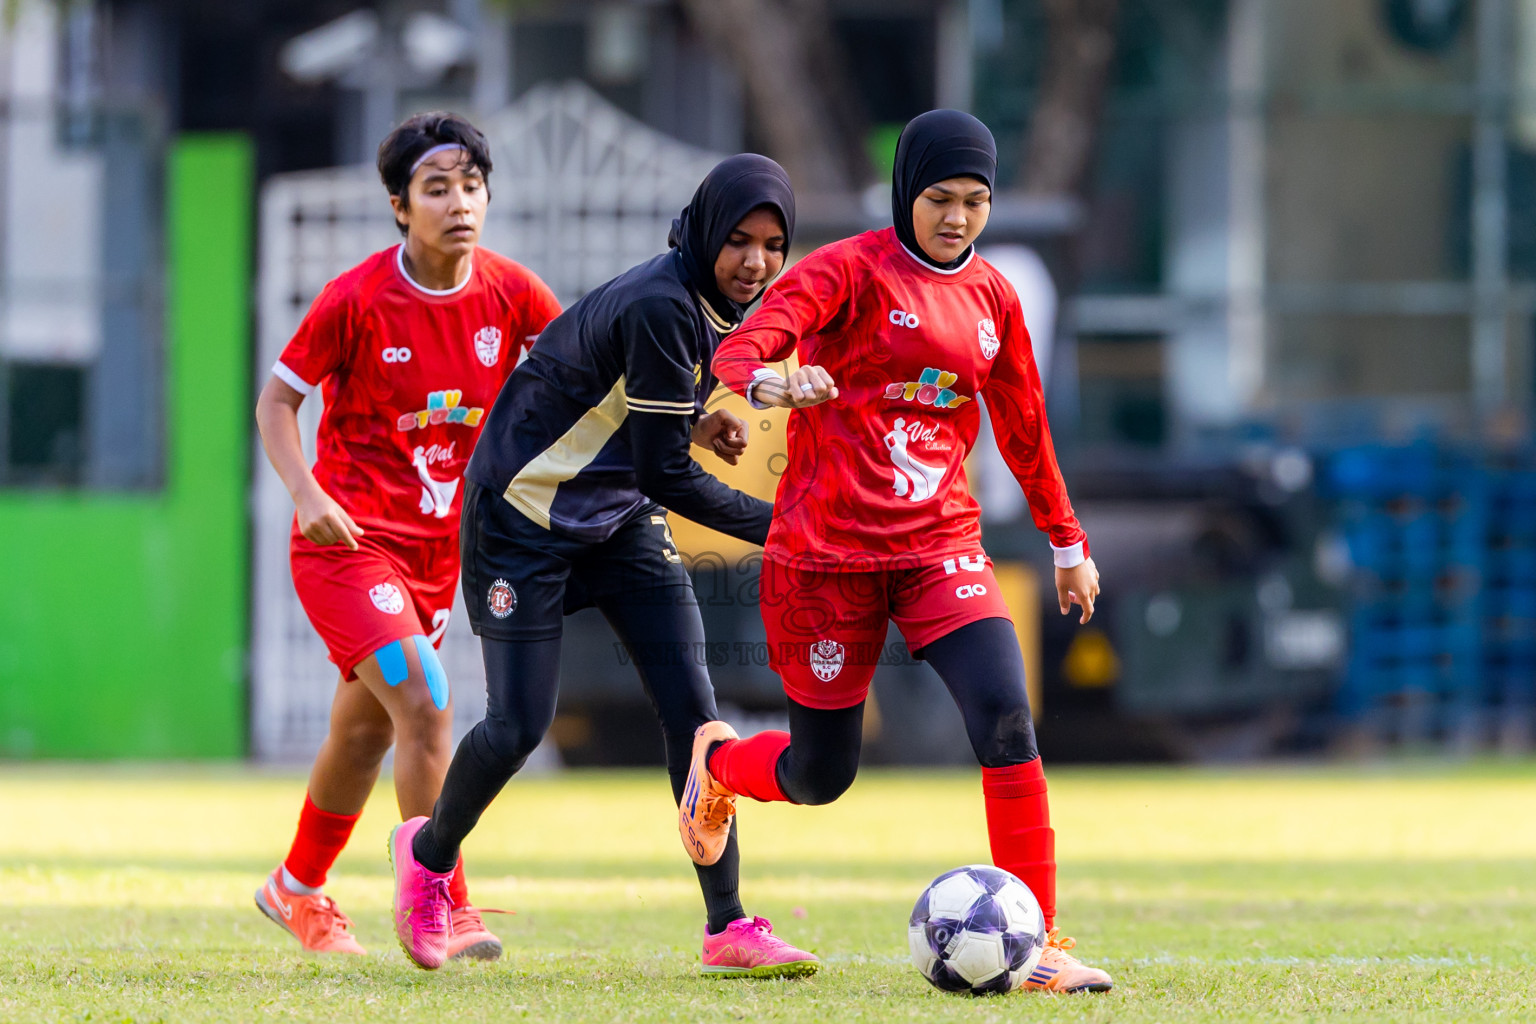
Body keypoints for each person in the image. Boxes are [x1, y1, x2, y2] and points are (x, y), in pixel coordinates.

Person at [679, 110, 1113, 994]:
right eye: (940, 197)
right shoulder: (847, 270)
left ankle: (1039, 943)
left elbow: (1024, 427)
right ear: (906, 191)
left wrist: (1067, 541)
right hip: (826, 558)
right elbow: (743, 346)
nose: (957, 217)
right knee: (820, 774)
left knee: (1006, 717)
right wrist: (770, 380)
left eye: (976, 201)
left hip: (938, 547)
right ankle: (717, 767)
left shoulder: (994, 298)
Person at [388, 154, 818, 978]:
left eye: (773, 244)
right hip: (522, 518)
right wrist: (787, 527)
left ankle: (728, 925)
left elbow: (624, 400)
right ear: (705, 233)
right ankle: (428, 856)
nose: (756, 262)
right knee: (518, 727)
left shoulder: (719, 304)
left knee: (696, 719)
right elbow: (666, 473)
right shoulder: (664, 302)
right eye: (739, 240)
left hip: (619, 518)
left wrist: (693, 418)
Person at [253, 112, 561, 957]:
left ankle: (295, 888)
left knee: (366, 734)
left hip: (436, 559)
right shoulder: (355, 298)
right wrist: (306, 492)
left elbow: (586, 377)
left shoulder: (513, 293)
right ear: (399, 206)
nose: (459, 203)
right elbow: (277, 402)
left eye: (472, 186)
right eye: (436, 189)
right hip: (346, 548)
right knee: (425, 697)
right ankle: (443, 898)